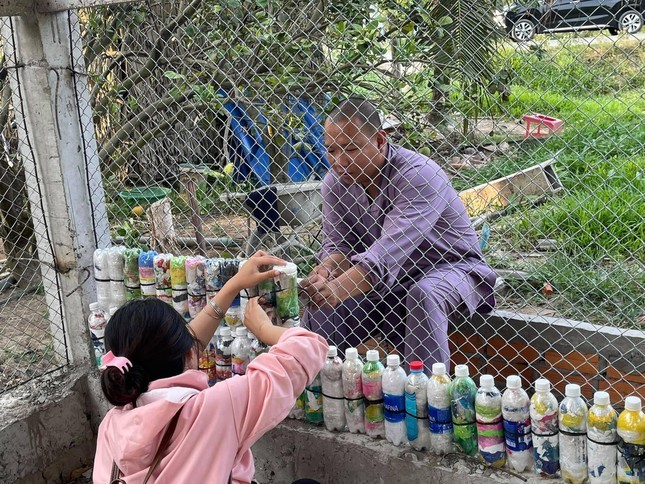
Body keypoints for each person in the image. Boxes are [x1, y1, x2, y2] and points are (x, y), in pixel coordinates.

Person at [93, 251, 328, 484]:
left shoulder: (111, 426)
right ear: (189, 353)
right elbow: (308, 345)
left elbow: (185, 346)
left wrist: (233, 285)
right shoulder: (216, 407)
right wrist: (263, 329)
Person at [300, 97, 496, 370]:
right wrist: (326, 272)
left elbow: (387, 254)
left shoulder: (419, 175)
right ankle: (319, 385)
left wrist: (334, 289)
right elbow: (338, 244)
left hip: (451, 268)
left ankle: (424, 397)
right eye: (331, 151)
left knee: (423, 294)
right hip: (386, 277)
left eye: (351, 149)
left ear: (380, 140)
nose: (339, 161)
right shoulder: (335, 183)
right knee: (319, 302)